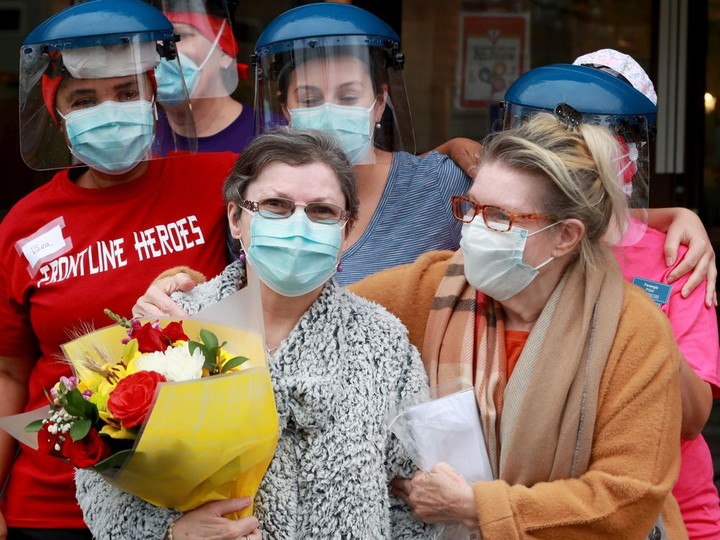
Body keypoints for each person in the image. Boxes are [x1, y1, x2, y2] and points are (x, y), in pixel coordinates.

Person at [75, 128, 433, 539]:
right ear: (235, 218)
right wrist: (170, 535)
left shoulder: (382, 344)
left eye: (322, 212)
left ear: (346, 230)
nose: (299, 224)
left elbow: (414, 495)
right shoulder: (171, 325)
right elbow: (98, 484)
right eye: (276, 206)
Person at [352, 113, 685, 538]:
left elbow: (626, 500)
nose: (472, 229)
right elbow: (322, 313)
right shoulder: (434, 289)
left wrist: (479, 507)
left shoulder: (632, 331)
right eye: (471, 207)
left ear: (565, 235)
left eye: (499, 218)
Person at [0, 1, 239, 538]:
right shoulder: (22, 227)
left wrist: (442, 158)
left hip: (182, 501)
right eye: (84, 99)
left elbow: (321, 189)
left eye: (127, 93)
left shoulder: (219, 180)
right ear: (58, 113)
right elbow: (10, 372)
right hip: (49, 504)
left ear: (154, 96)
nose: (109, 109)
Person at [560, 49, 719, 539]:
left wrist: (636, 318)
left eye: (616, 130)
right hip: (565, 505)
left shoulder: (677, 256)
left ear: (636, 150)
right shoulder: (529, 243)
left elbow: (692, 419)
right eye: (577, 125)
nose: (595, 145)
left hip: (677, 512)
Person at [252, 2, 472, 285]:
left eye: (348, 97)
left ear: (379, 103)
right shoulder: (263, 200)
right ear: (286, 111)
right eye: (309, 100)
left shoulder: (438, 186)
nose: (329, 112)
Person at [151, 0, 254, 154]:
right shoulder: (138, 140)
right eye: (150, 40)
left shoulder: (268, 135)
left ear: (225, 52)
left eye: (178, 36)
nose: (160, 51)